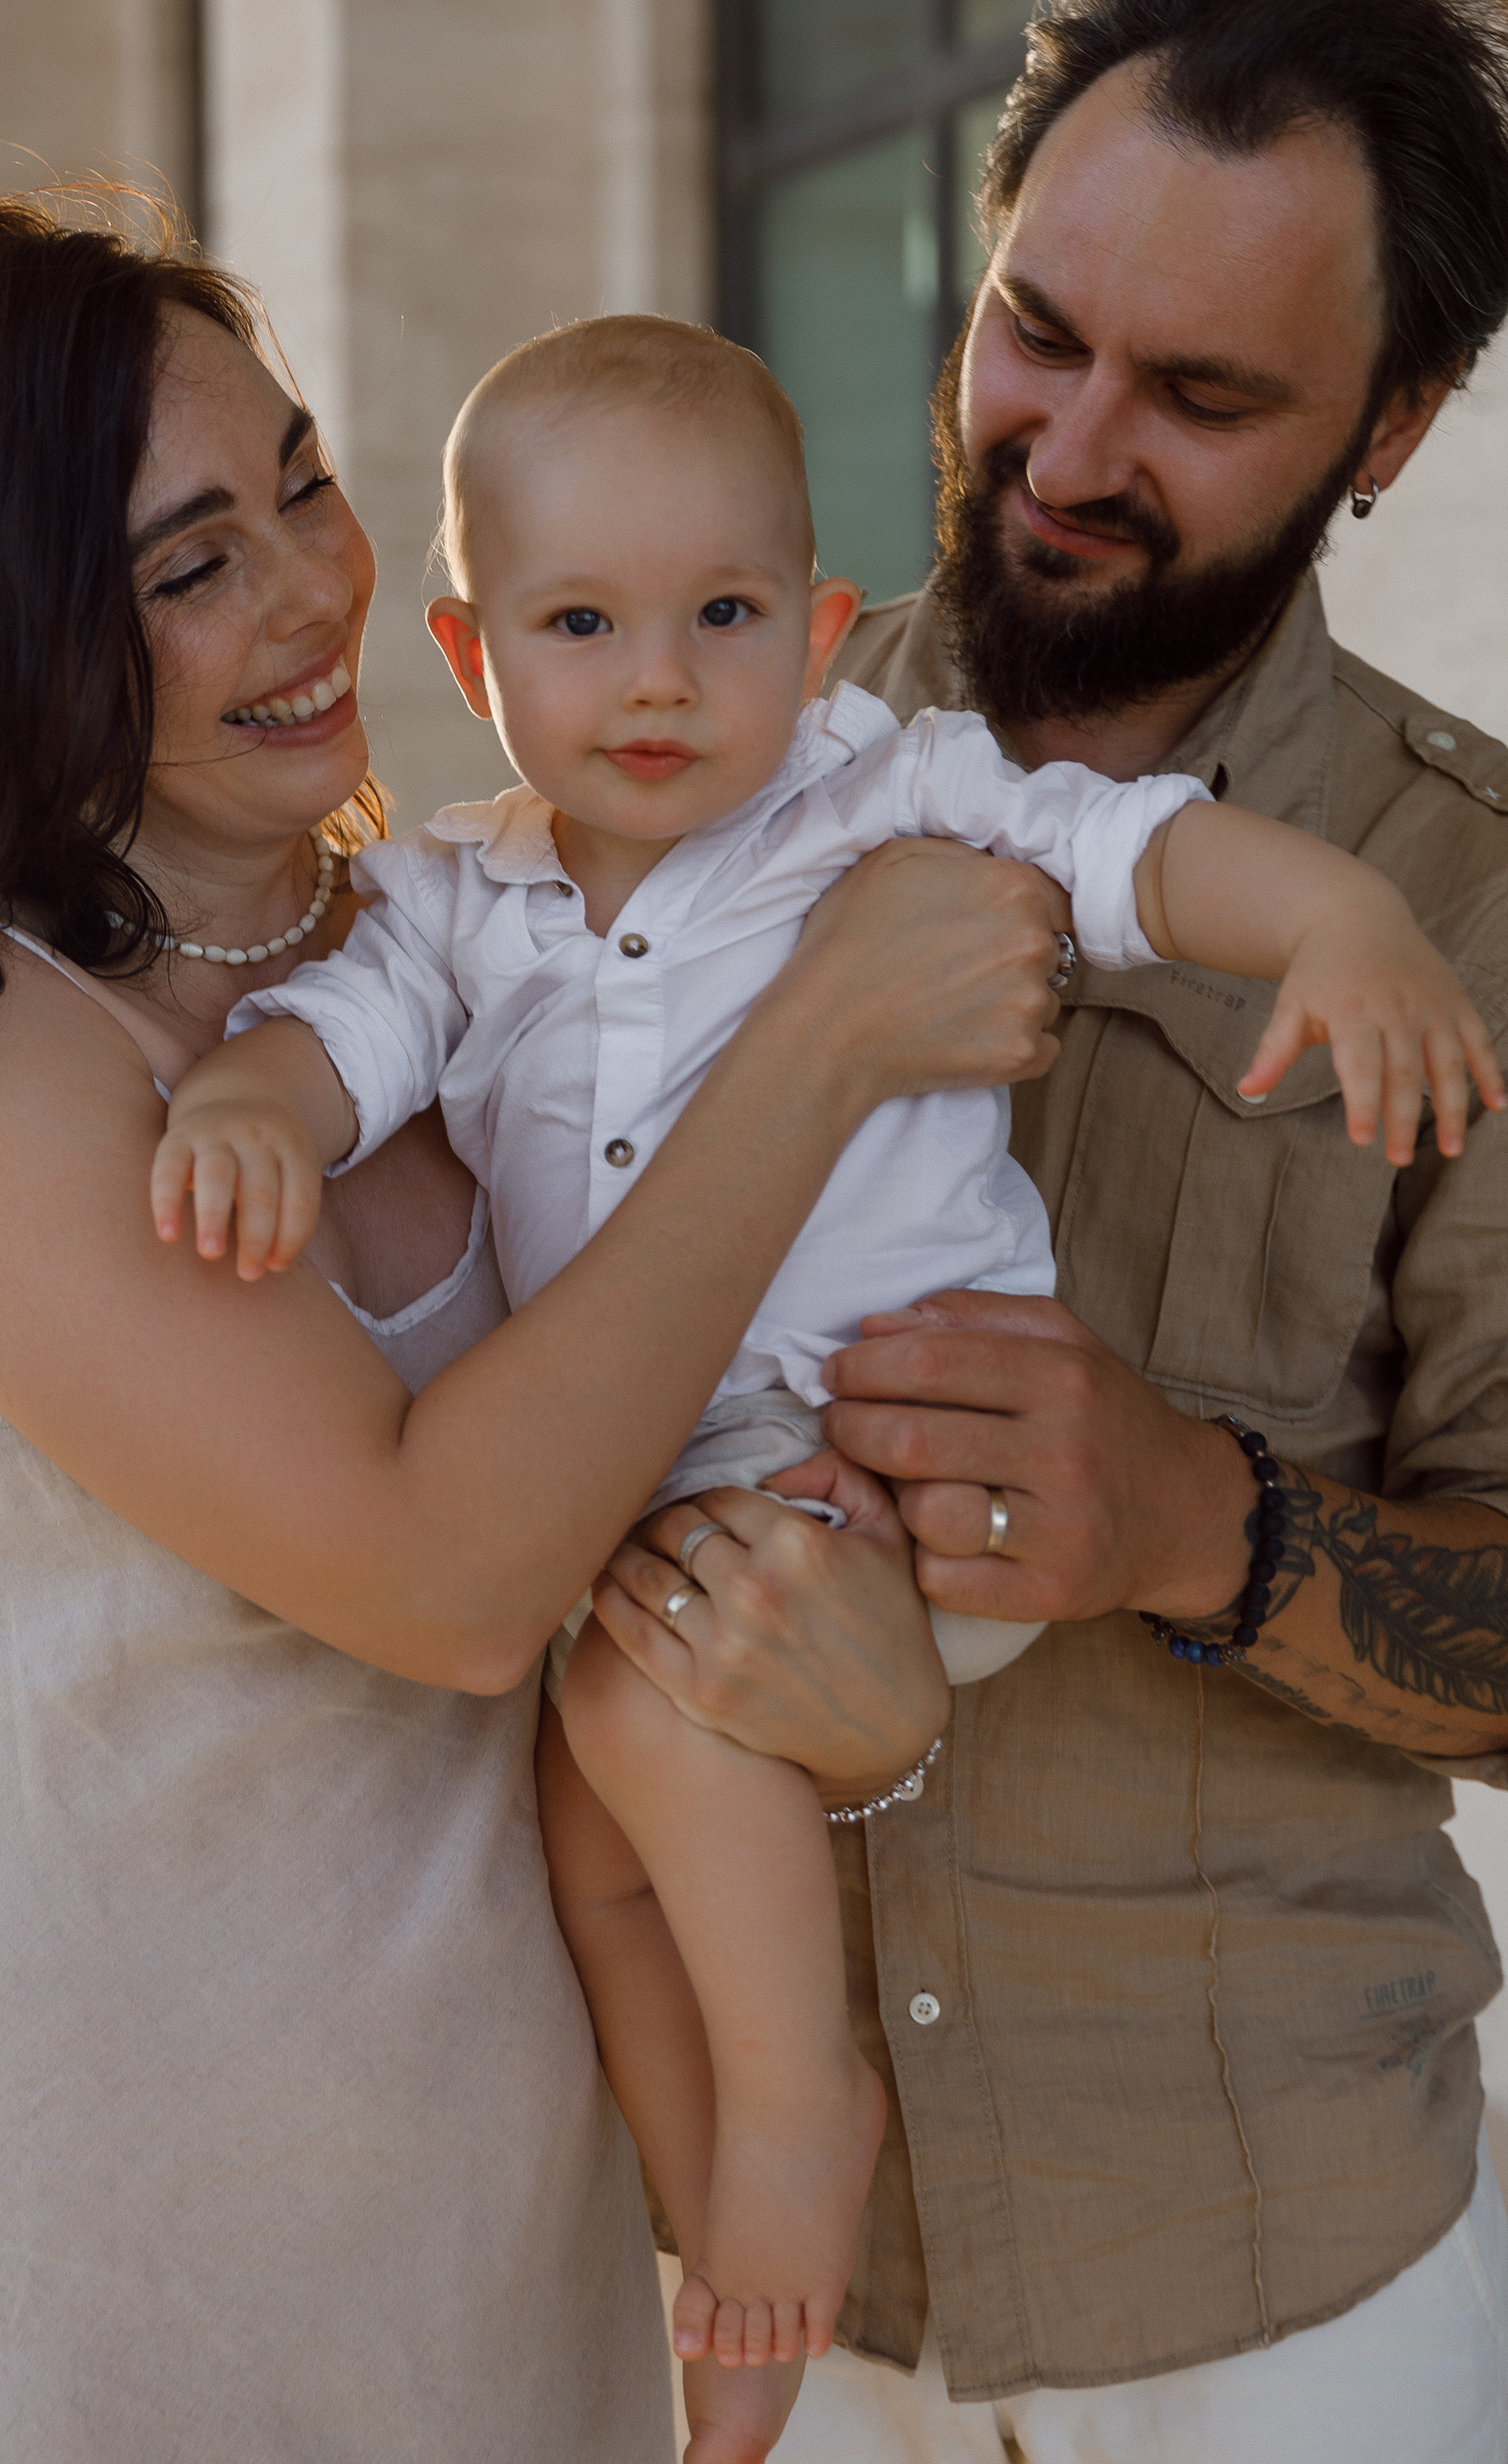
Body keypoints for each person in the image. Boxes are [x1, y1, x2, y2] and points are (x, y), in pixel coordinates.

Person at [0, 199, 1077, 2464]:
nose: (307, 593)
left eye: (301, 483)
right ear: (3, 633)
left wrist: (858, 1698)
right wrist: (827, 1037)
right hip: (122, 2237)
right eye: (191, 565)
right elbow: (451, 1585)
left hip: (510, 2207)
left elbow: (666, 1483)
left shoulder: (462, 940)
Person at [149, 302, 1499, 2408]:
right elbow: (343, 1042)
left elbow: (1135, 858)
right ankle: (737, 2257)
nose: (666, 676)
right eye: (582, 624)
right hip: (648, 1485)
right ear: (473, 657)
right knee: (593, 1827)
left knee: (642, 1723)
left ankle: (794, 2118)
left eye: (724, 613)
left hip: (861, 1445)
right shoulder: (457, 900)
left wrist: (1342, 924)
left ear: (821, 625)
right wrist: (253, 1107)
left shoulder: (884, 796)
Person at [580, 0, 1508, 2462]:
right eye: (1038, 332)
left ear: (1392, 430)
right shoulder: (651, 789)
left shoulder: (1475, 911)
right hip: (761, 2305)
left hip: (1278, 2281)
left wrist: (1206, 1527)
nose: (1073, 453)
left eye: (1201, 394)